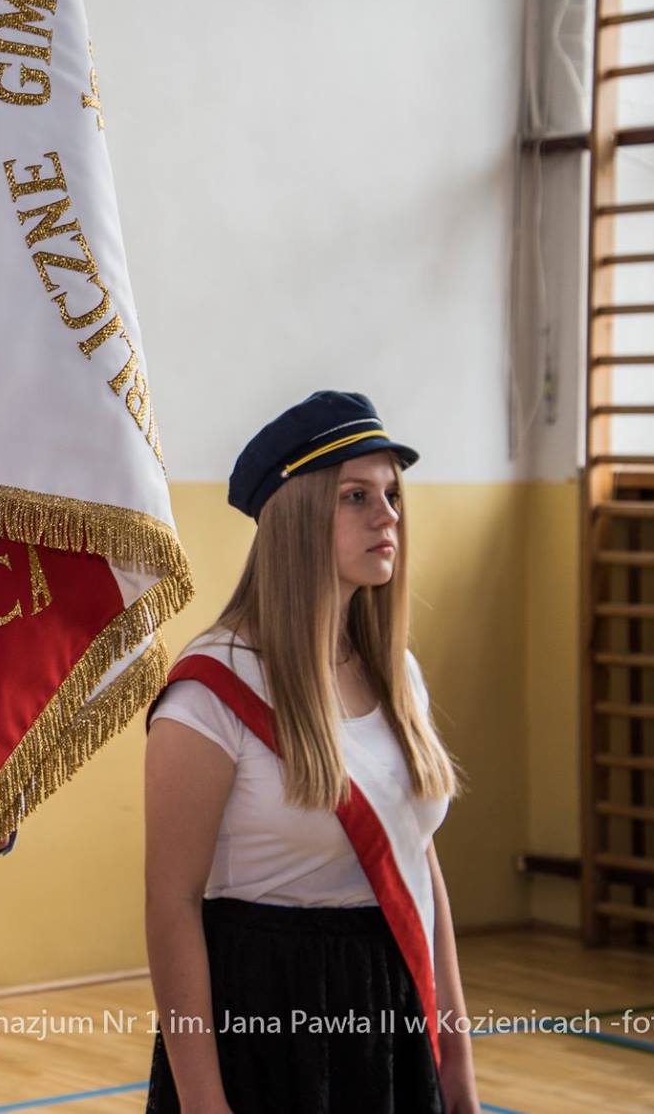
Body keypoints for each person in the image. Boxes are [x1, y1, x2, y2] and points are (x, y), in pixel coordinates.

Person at [142, 391, 479, 1114]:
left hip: (389, 1015)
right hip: (268, 1025)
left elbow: (419, 868)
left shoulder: (397, 674)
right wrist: (204, 1104)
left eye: (391, 493)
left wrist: (458, 1070)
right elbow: (172, 907)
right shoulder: (209, 691)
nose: (387, 515)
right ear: (295, 516)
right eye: (356, 496)